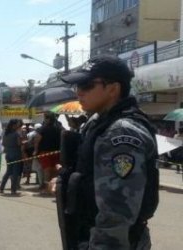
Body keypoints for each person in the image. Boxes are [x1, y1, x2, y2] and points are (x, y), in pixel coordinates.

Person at [59, 54, 159, 249]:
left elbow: (117, 213)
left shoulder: (120, 132)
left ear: (113, 89)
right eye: (77, 86)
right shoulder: (98, 123)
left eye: (86, 85)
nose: (79, 92)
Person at [33, 111, 62, 193]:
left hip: (45, 152)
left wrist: (35, 150)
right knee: (55, 170)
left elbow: (37, 140)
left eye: (45, 118)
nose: (44, 120)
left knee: (47, 170)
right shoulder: (59, 128)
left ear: (48, 119)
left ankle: (47, 189)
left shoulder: (43, 128)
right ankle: (53, 188)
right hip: (57, 152)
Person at [0, 119, 23, 195]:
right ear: (14, 125)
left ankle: (1, 188)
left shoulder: (5, 133)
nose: (18, 126)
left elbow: (3, 144)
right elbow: (19, 144)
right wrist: (24, 142)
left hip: (8, 154)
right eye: (17, 124)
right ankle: (13, 190)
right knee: (15, 172)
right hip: (16, 153)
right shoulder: (16, 134)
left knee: (8, 171)